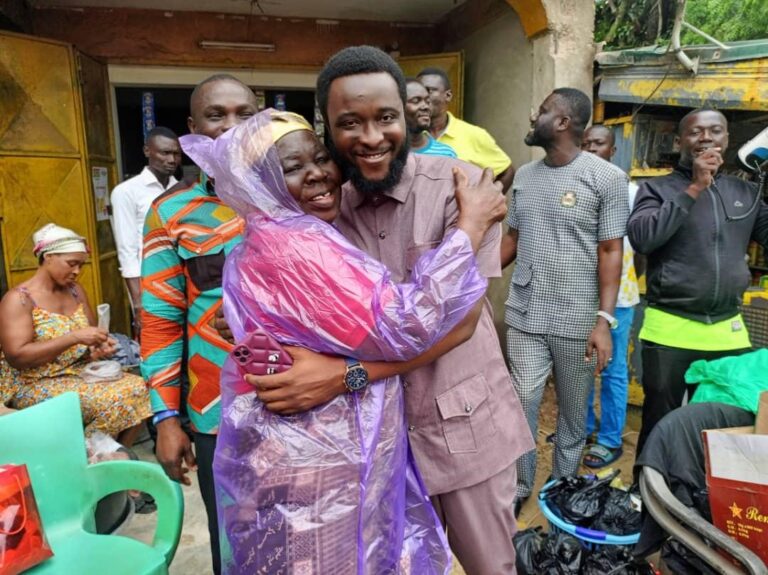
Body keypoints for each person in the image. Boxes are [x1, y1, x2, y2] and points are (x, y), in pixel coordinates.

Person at [232, 46, 534, 575]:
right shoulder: (321, 206)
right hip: (371, 448)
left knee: (491, 566)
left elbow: (459, 324)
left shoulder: (464, 193)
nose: (371, 138)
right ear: (329, 129)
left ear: (409, 115)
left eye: (385, 118)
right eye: (350, 123)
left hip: (461, 430)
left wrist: (343, 376)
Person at [140, 74, 257, 575]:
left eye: (245, 115)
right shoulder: (169, 214)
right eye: (217, 115)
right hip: (217, 414)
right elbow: (161, 323)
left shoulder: (303, 197)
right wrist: (166, 419)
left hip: (305, 403)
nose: (232, 127)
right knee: (232, 542)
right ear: (193, 128)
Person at [500, 88, 628, 513]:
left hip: (578, 318)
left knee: (574, 416)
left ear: (561, 123)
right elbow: (513, 240)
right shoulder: (524, 176)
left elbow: (611, 250)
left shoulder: (606, 178)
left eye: (542, 111)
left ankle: (561, 489)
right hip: (526, 313)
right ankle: (520, 487)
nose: (532, 116)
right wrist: (465, 274)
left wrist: (604, 321)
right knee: (521, 402)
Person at [627, 108, 768, 456]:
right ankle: (646, 497)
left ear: (727, 140)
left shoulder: (745, 192)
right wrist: (694, 188)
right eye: (695, 132)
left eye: (715, 131)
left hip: (727, 329)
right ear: (679, 142)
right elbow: (644, 238)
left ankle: (706, 499)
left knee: (728, 425)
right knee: (661, 422)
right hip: (669, 329)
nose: (706, 137)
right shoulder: (656, 189)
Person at [0, 223, 151, 445]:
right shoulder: (20, 300)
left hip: (76, 374)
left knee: (142, 386)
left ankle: (112, 454)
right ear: (48, 257)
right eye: (72, 264)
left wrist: (97, 349)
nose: (77, 271)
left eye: (81, 265)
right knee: (117, 398)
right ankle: (89, 455)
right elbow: (17, 357)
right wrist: (73, 337)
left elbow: (88, 341)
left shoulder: (75, 291)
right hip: (33, 382)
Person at [580, 124, 641, 468]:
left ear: (612, 150)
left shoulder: (630, 192)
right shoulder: (576, 186)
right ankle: (585, 427)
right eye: (586, 144)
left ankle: (610, 438)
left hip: (619, 297)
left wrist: (627, 283)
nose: (591, 150)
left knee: (614, 370)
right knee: (583, 366)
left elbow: (640, 249)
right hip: (582, 296)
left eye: (598, 144)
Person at [110, 126, 181, 334]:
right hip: (149, 284)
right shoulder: (126, 192)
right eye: (165, 153)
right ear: (147, 151)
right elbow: (127, 250)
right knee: (156, 339)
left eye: (176, 154)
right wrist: (138, 302)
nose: (172, 160)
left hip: (183, 278)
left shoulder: (184, 190)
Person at [417, 67, 515, 192]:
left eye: (429, 91)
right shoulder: (410, 135)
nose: (422, 98)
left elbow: (507, 171)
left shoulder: (474, 135)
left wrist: (487, 203)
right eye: (418, 92)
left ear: (448, 96)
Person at [404, 78, 457, 158]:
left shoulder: (446, 154)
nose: (425, 107)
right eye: (416, 101)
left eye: (428, 101)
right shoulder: (386, 153)